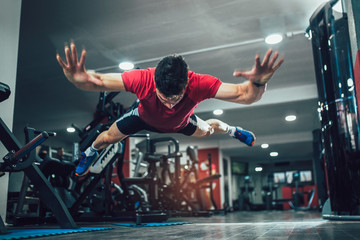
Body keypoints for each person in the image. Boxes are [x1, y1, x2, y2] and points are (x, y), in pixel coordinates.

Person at [56, 42, 284, 177]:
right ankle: (89, 154)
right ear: (155, 84)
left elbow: (245, 96)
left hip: (182, 123)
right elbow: (95, 82)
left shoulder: (200, 83)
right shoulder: (142, 79)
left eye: (175, 98)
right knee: (107, 137)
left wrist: (258, 83)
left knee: (209, 129)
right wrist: (78, 79)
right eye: (164, 98)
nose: (170, 104)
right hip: (142, 117)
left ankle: (233, 130)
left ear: (186, 84)